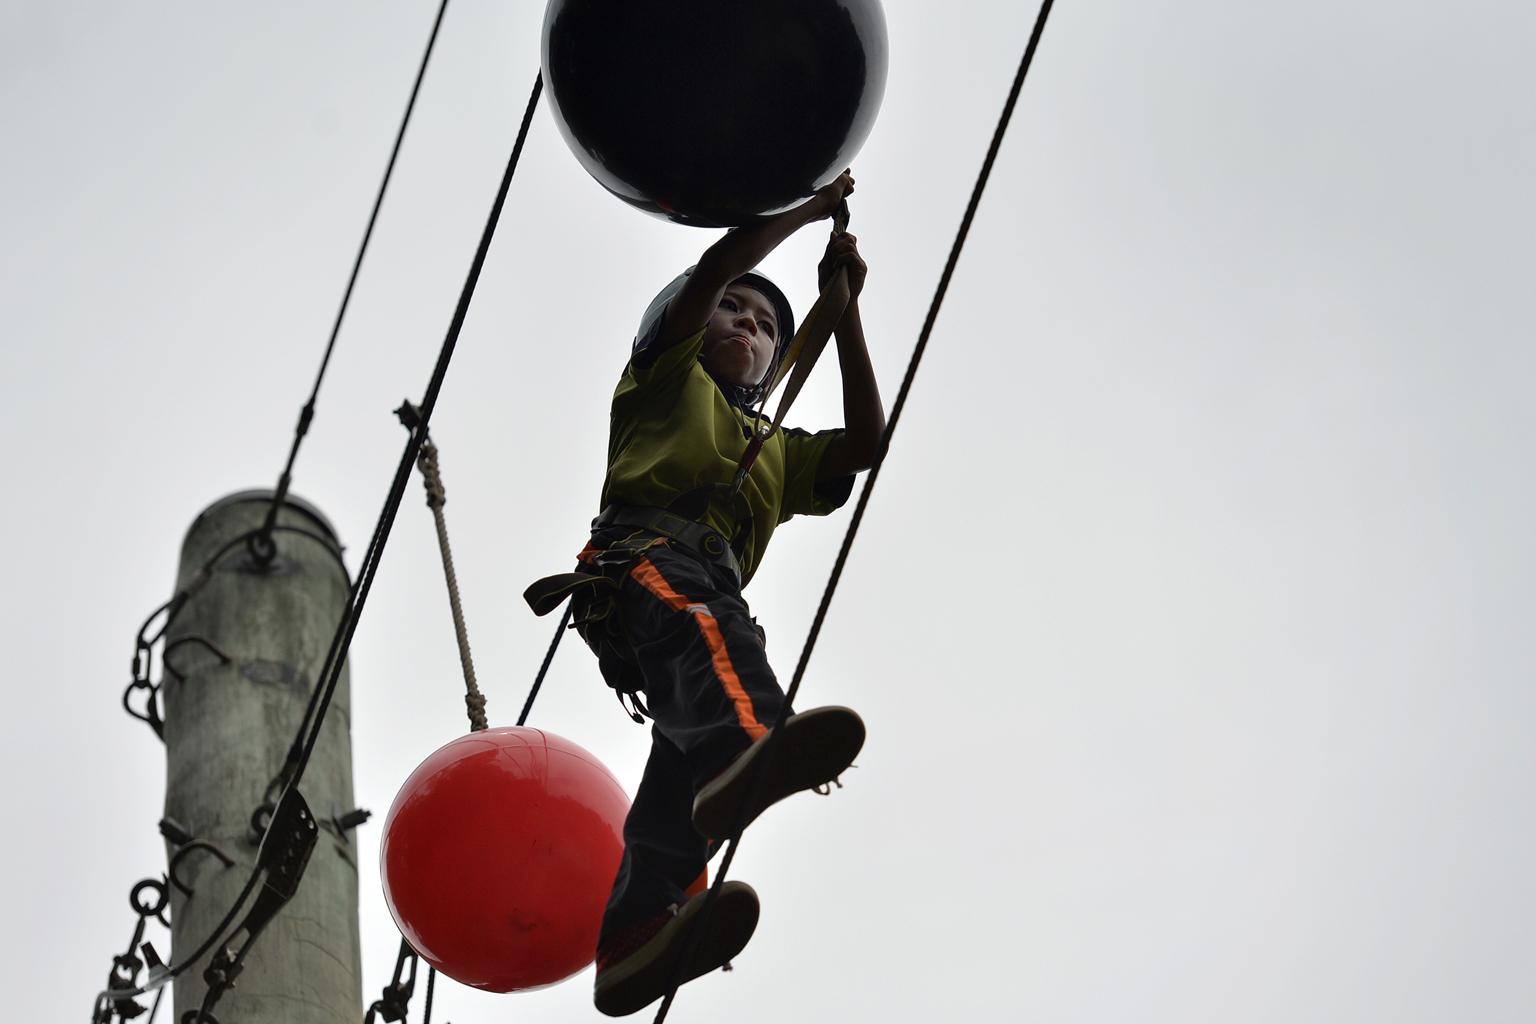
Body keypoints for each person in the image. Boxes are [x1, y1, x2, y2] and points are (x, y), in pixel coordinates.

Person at [526, 171, 883, 1016]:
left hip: (694, 592)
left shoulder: (775, 447)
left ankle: (639, 927)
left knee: (681, 757)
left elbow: (865, 442)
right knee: (715, 641)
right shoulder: (663, 377)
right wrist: (804, 207)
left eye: (765, 328)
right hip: (643, 561)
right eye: (736, 311)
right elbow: (724, 259)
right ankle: (744, 746)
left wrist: (847, 311)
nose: (749, 328)